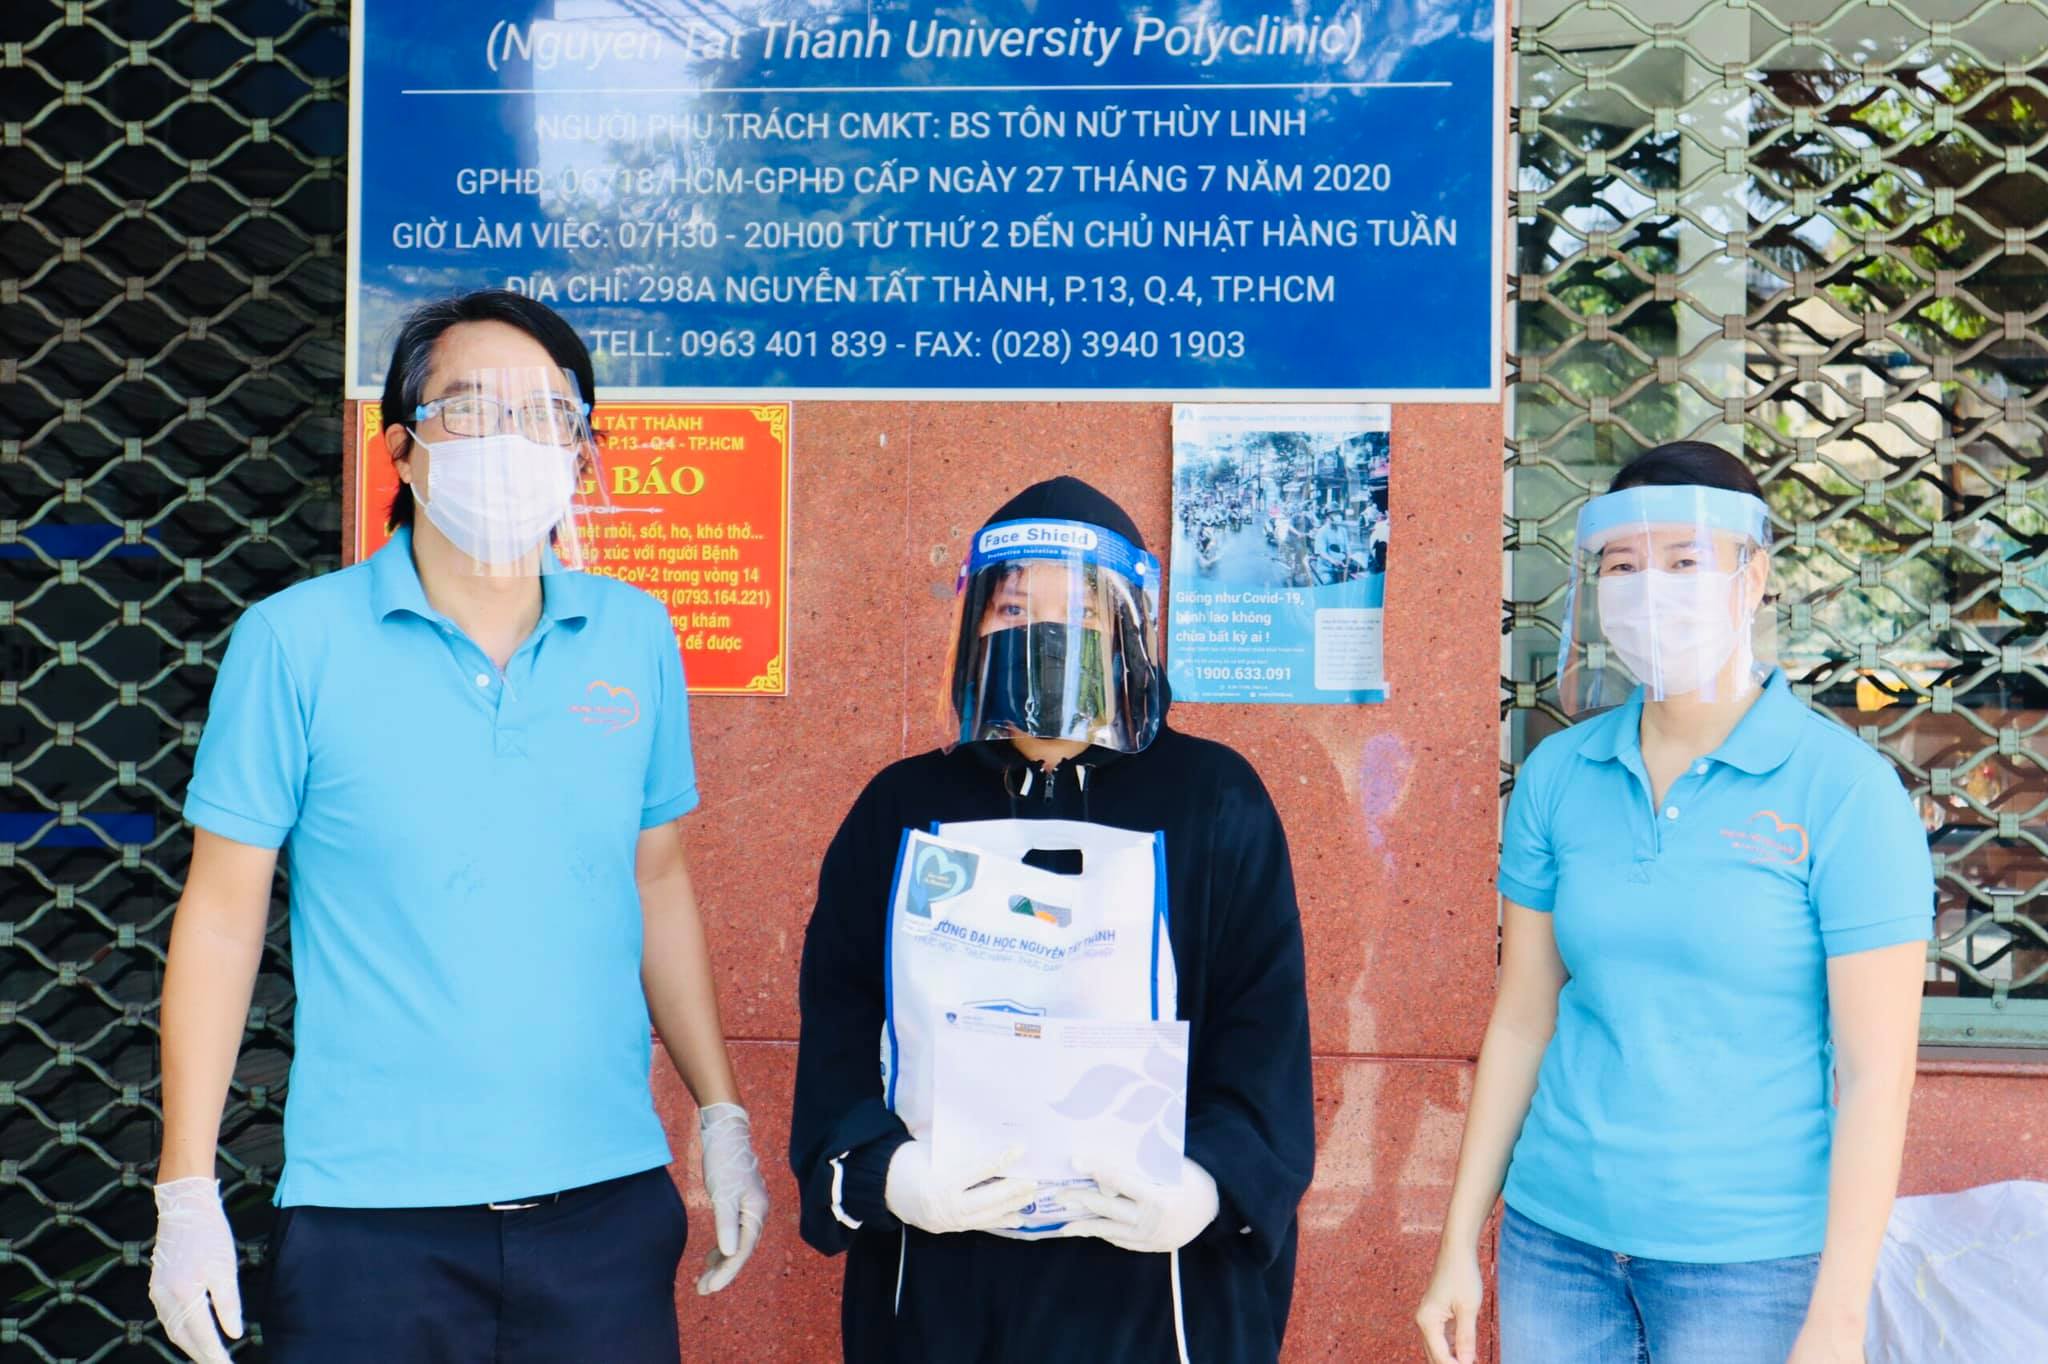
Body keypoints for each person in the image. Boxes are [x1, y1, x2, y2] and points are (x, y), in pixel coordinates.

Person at [149, 290, 770, 1364]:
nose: (510, 440)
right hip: (369, 1221)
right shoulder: (294, 642)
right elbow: (221, 914)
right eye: (471, 407)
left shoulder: (633, 634)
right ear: (402, 447)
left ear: (582, 452)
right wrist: (186, 1187)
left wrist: (721, 1114)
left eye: (545, 414)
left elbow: (657, 879)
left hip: (604, 1206)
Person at [1416, 441, 1932, 1364]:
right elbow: (1523, 1020)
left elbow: (1875, 1075)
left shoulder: (1846, 791)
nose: (1650, 590)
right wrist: (1459, 1241)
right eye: (1623, 566)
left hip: (1751, 1266)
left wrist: (1838, 1316)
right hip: (1554, 1243)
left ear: (1753, 576)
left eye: (1685, 561)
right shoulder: (1559, 773)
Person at [789, 477, 1314, 1363]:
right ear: (974, 627)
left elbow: (1263, 1030)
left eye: (1080, 610)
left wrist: (1205, 1184)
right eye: (1014, 607)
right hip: (944, 1286)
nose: (1043, 632)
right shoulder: (903, 807)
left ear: (1128, 631)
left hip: (1155, 1295)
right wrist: (890, 1173)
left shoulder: (1214, 799)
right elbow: (840, 1019)